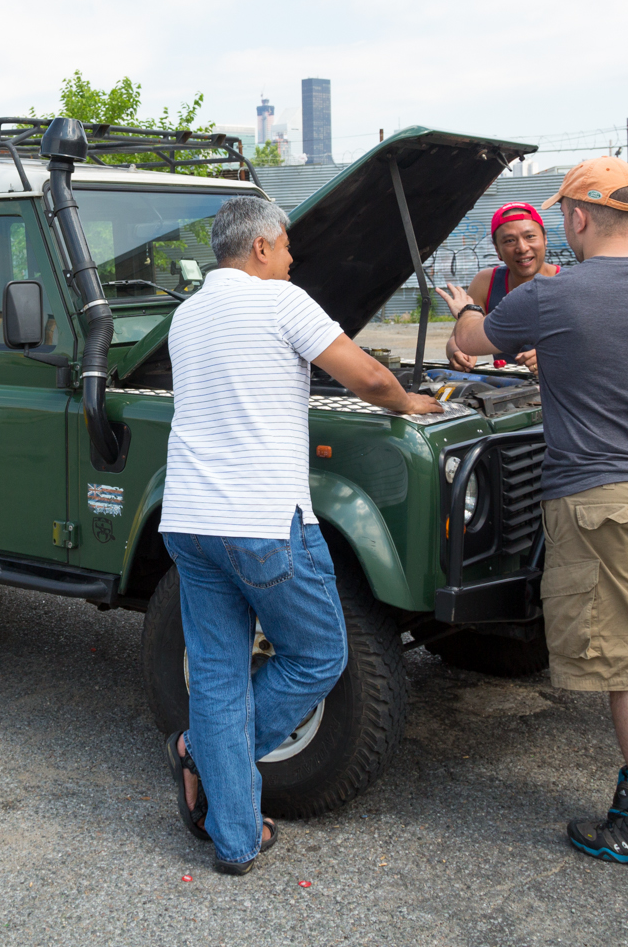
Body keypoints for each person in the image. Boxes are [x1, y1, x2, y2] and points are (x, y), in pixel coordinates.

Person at [439, 156, 628, 875]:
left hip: (600, 499)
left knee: (625, 661)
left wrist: (465, 308)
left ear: (574, 218)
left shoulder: (553, 295)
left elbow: (474, 346)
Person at [161, 195, 442, 875]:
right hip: (261, 523)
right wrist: (411, 401)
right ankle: (203, 752)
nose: (291, 258)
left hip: (190, 520)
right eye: (285, 246)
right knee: (319, 655)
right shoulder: (282, 301)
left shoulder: (186, 313)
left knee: (220, 676)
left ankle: (235, 836)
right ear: (259, 247)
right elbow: (369, 377)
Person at [445, 202, 560, 375]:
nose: (522, 248)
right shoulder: (486, 282)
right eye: (509, 241)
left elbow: (594, 347)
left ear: (544, 239)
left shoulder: (568, 283)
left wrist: (555, 355)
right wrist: (458, 353)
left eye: (530, 236)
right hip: (509, 388)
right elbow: (458, 338)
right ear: (497, 250)